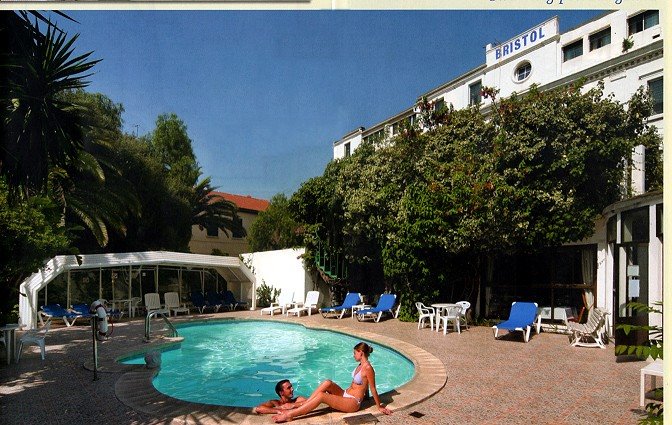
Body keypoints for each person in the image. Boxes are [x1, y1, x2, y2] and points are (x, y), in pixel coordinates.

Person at [272, 342, 392, 423]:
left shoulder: (368, 368)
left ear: (361, 352)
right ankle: (305, 404)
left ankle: (291, 414)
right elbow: (363, 385)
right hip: (346, 394)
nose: (353, 355)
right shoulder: (361, 365)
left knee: (322, 396)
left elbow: (373, 388)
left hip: (353, 402)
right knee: (327, 383)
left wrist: (379, 406)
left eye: (355, 352)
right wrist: (367, 397)